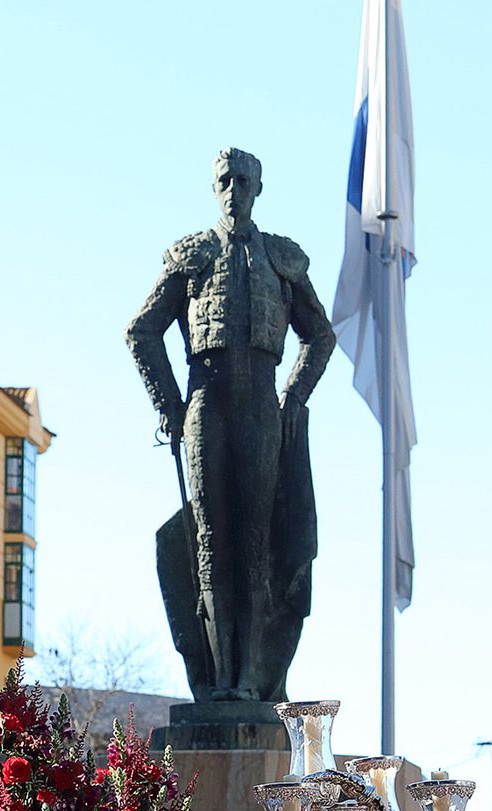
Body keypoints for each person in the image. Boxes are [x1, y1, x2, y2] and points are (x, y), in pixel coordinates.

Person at [126, 147, 335, 701]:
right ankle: (218, 679)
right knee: (211, 541)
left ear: (258, 188)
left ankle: (251, 679)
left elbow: (321, 336)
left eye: (243, 180)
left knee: (255, 541)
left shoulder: (282, 260)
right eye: (225, 179)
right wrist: (169, 405)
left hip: (262, 405)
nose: (233, 189)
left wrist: (292, 397)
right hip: (206, 404)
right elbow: (143, 331)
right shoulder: (191, 255)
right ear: (214, 186)